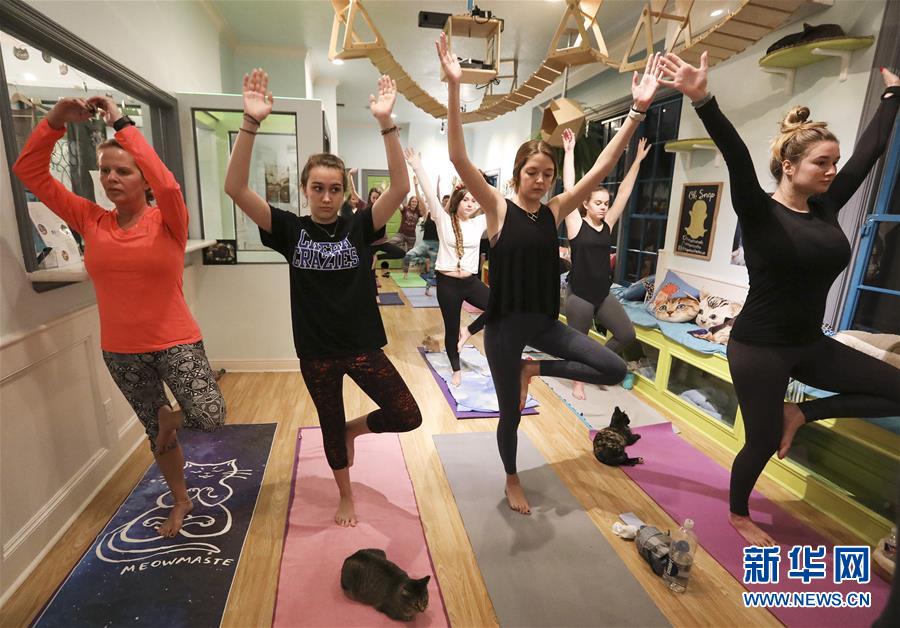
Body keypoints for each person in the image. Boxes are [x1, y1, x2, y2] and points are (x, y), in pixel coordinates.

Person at [660, 52, 900, 546]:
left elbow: (870, 151)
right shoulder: (760, 212)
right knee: (763, 441)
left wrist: (892, 95)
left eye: (834, 162)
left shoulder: (826, 206)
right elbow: (735, 153)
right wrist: (702, 99)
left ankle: (802, 413)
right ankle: (738, 513)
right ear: (789, 167)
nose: (832, 171)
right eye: (821, 162)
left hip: (810, 343)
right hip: (759, 348)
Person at [438, 32, 663, 514]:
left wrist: (637, 111)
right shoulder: (498, 209)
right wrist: (455, 88)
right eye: (532, 173)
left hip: (543, 325)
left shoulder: (557, 210)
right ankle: (511, 478)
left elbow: (602, 168)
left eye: (547, 174)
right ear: (517, 174)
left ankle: (533, 368)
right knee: (511, 415)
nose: (540, 180)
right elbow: (458, 156)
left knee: (614, 367)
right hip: (504, 328)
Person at [13, 95, 226, 537]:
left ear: (143, 178)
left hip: (176, 340)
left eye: (123, 171)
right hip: (121, 351)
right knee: (156, 434)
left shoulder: (168, 220)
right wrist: (55, 120)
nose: (111, 178)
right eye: (105, 170)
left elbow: (169, 186)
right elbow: (30, 172)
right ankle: (181, 500)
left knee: (209, 415)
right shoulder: (91, 220)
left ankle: (170, 421)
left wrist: (122, 124)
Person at [225, 68, 421, 527]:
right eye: (318, 188)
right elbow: (235, 188)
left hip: (361, 344)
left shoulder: (359, 226)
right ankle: (345, 495)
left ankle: (355, 429)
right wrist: (250, 123)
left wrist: (387, 123)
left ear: (344, 191)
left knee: (406, 413)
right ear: (305, 190)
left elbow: (400, 188)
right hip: (316, 352)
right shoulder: (289, 230)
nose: (327, 197)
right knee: (329, 426)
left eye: (334, 189)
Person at [562, 128, 651, 399]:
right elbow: (569, 189)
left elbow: (624, 192)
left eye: (605, 203)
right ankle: (578, 380)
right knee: (578, 342)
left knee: (626, 334)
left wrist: (637, 161)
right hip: (579, 295)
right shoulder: (575, 223)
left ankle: (594, 363)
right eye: (598, 203)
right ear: (586, 204)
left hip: (602, 293)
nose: (603, 207)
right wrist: (569, 152)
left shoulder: (608, 224)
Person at [405, 148, 490, 387]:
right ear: (457, 200)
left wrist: (480, 180)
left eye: (474, 200)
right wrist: (417, 165)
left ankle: (468, 331)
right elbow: (430, 194)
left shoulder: (480, 223)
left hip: (470, 282)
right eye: (466, 200)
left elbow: (498, 202)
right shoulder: (443, 220)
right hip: (448, 284)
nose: (470, 204)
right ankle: (456, 368)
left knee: (500, 306)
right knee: (451, 328)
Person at [401, 176, 439, 281]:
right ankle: (405, 272)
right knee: (408, 255)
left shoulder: (441, 215)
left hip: (436, 245)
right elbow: (420, 200)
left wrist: (454, 187)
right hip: (425, 243)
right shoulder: (427, 213)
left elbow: (449, 203)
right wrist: (416, 186)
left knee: (432, 270)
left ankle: (429, 285)